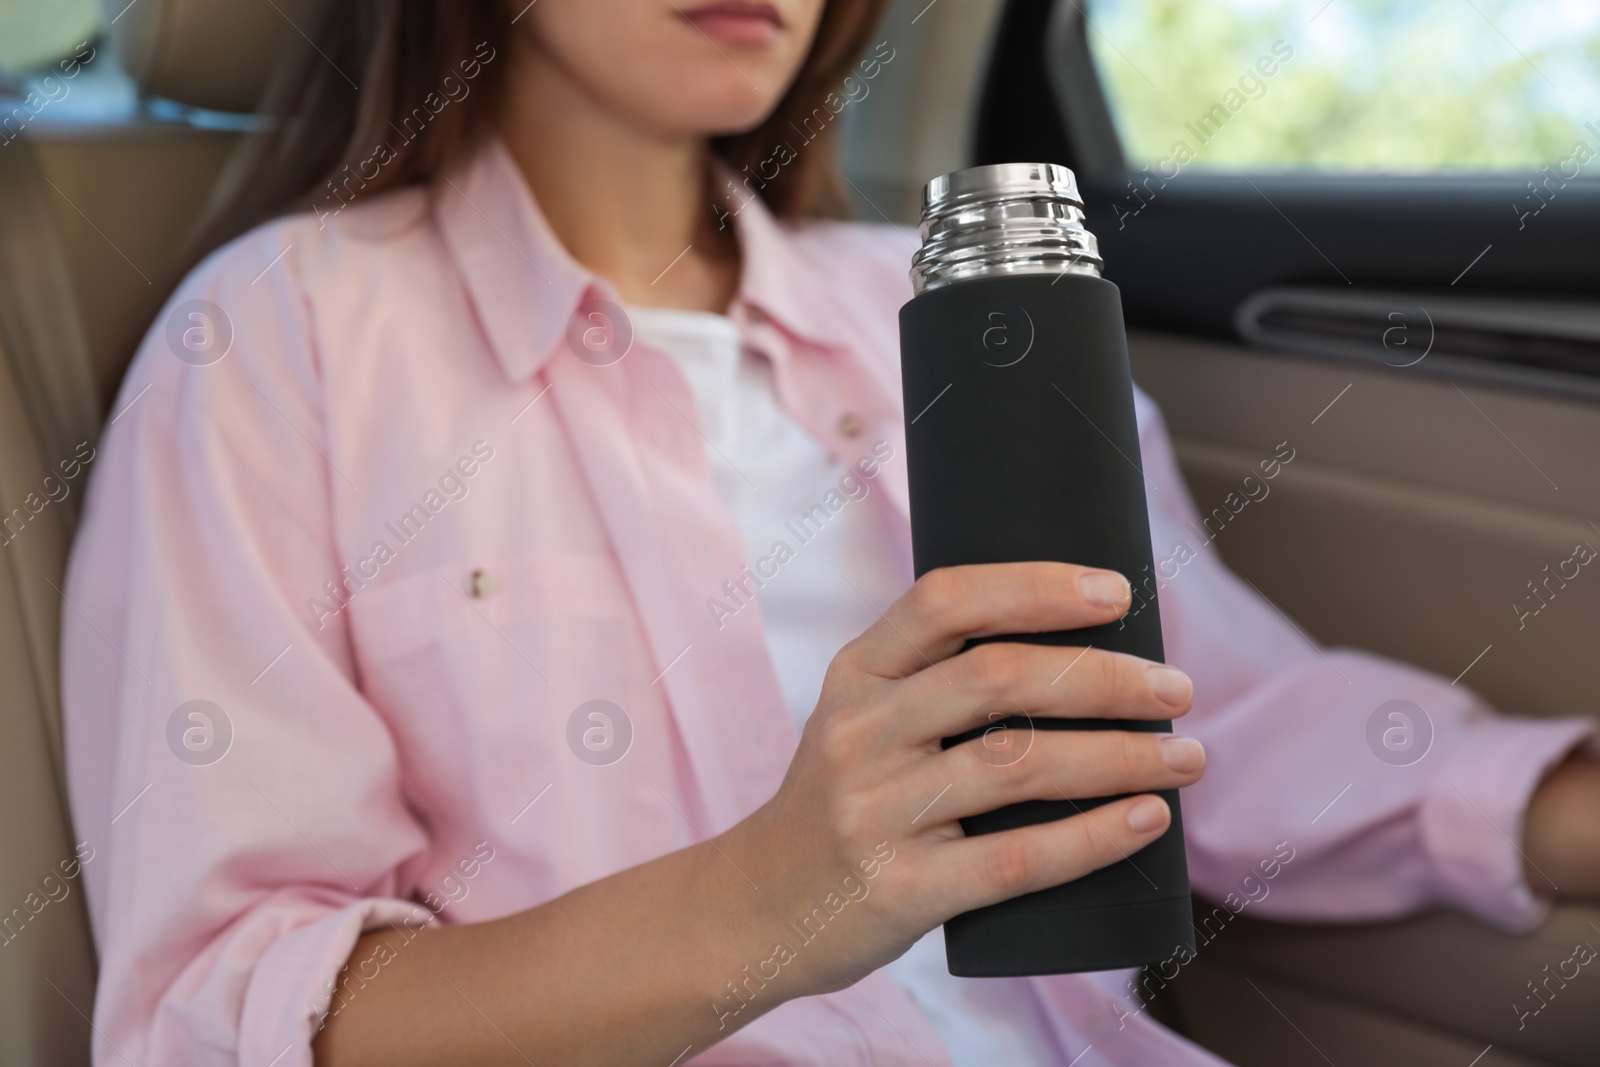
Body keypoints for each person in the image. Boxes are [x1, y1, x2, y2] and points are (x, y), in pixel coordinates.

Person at [62, 1, 1600, 1064]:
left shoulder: (944, 307)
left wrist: (1564, 811)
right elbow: (237, 1011)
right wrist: (784, 892)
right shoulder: (280, 337)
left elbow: (1216, 723)